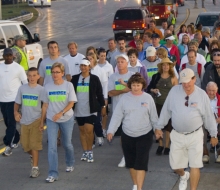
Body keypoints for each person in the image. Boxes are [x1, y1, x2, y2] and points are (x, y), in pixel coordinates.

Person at [155, 68, 218, 190]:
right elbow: (166, 111)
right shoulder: (174, 92)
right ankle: (184, 175)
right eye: (183, 82)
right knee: (175, 167)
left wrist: (213, 134)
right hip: (177, 135)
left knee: (195, 165)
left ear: (194, 79)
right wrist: (158, 127)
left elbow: (209, 117)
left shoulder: (201, 95)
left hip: (195, 135)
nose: (186, 85)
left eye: (188, 81)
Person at [107, 73, 158, 190]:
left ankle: (139, 188)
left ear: (143, 85)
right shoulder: (125, 98)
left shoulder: (148, 98)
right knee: (131, 163)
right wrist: (111, 130)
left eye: (138, 85)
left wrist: (157, 130)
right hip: (128, 135)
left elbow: (154, 117)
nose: (136, 87)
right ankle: (135, 184)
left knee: (141, 163)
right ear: (130, 85)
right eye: (134, 85)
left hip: (144, 135)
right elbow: (117, 116)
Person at [40, 62, 77, 183]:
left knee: (67, 144)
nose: (55, 74)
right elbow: (45, 105)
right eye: (53, 72)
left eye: (57, 72)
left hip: (66, 118)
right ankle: (53, 173)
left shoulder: (68, 85)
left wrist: (61, 113)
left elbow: (71, 102)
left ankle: (70, 162)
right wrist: (42, 122)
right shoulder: (47, 87)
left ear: (62, 73)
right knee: (52, 147)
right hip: (51, 119)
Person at [71, 58, 106, 162]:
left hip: (91, 109)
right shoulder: (74, 78)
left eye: (85, 65)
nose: (83, 67)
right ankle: (85, 151)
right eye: (81, 65)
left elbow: (99, 94)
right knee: (82, 131)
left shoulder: (95, 78)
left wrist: (103, 107)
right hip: (78, 109)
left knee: (89, 130)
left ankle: (90, 151)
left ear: (89, 67)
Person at [14, 67, 44, 178]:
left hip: (36, 120)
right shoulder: (22, 89)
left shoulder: (41, 90)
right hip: (24, 122)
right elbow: (17, 104)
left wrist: (42, 121)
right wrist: (16, 113)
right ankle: (33, 156)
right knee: (25, 146)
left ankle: (35, 168)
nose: (32, 78)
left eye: (34, 75)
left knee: (34, 145)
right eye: (30, 75)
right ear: (27, 76)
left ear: (38, 76)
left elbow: (45, 106)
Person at [147, 58, 178, 155]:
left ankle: (167, 146)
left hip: (169, 105)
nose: (165, 67)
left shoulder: (173, 77)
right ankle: (160, 144)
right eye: (163, 65)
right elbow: (149, 88)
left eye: (167, 65)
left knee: (169, 126)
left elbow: (177, 92)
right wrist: (153, 90)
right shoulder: (156, 76)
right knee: (158, 124)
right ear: (161, 66)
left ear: (170, 66)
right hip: (158, 103)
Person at [0, 48, 27, 156]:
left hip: (14, 100)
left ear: (13, 56)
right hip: (2, 99)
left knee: (11, 122)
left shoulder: (18, 68)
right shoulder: (0, 67)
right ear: (3, 56)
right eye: (6, 55)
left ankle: (8, 145)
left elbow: (25, 83)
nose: (8, 57)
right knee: (7, 122)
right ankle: (16, 138)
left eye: (10, 55)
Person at [108, 54, 134, 168]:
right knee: (123, 136)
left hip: (132, 110)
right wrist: (124, 90)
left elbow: (135, 89)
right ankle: (126, 156)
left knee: (131, 133)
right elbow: (110, 93)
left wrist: (125, 89)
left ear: (127, 63)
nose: (119, 64)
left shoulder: (133, 76)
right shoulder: (113, 77)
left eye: (122, 62)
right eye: (118, 62)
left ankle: (132, 154)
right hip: (118, 111)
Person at [87, 52, 108, 146]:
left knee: (96, 120)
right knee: (89, 122)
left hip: (97, 99)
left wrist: (104, 100)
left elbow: (104, 86)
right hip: (86, 101)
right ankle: (92, 140)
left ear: (94, 60)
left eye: (90, 59)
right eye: (87, 60)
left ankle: (99, 136)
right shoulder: (84, 72)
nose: (89, 62)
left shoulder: (100, 71)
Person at [97, 48, 114, 137]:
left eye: (104, 56)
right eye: (101, 56)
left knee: (104, 113)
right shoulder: (95, 66)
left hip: (105, 92)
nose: (103, 58)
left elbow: (111, 80)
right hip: (96, 93)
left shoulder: (109, 66)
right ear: (98, 56)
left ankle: (103, 129)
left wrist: (107, 96)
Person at [203, 82, 220, 163]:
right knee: (200, 132)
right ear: (206, 90)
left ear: (217, 90)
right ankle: (205, 153)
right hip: (205, 122)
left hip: (218, 121)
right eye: (209, 90)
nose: (211, 92)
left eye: (213, 90)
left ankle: (219, 154)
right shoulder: (202, 99)